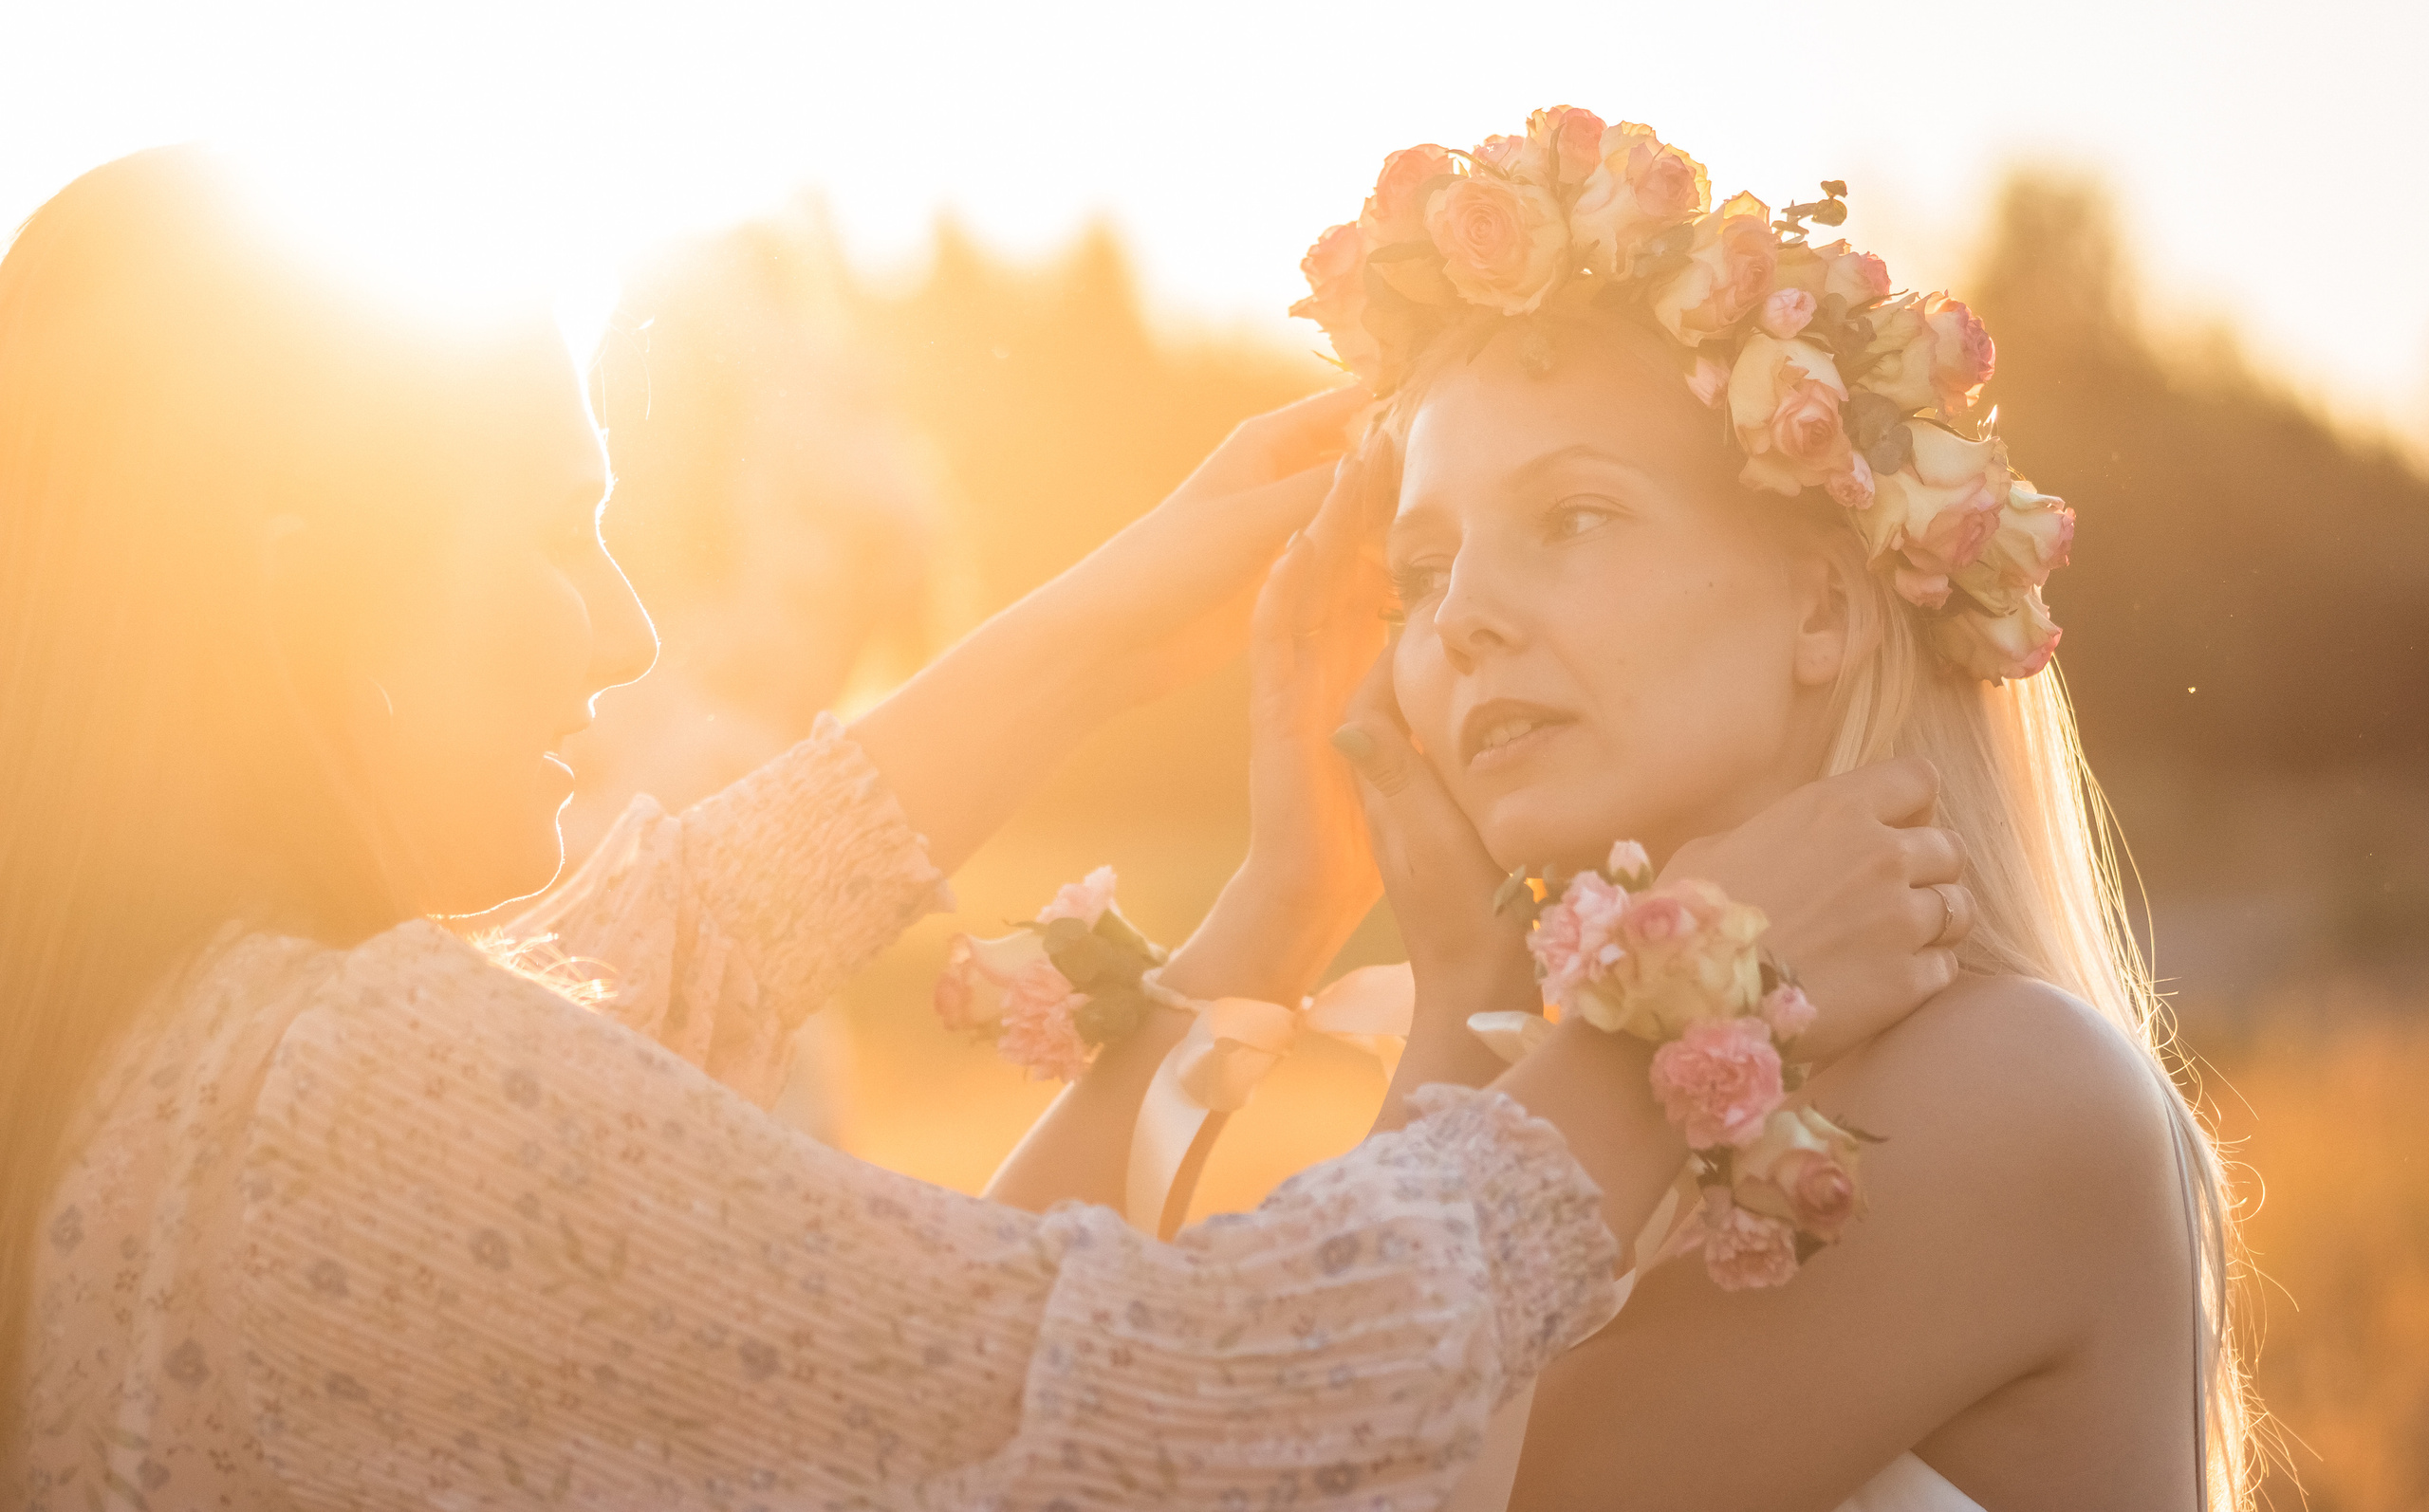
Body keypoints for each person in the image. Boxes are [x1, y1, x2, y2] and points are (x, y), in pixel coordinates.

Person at [0, 146, 1956, 1508]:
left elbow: (658, 957)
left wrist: (1221, 809)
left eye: (1573, 520)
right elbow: (1186, 1415)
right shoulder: (334, 1098)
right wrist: (1665, 1019)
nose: (618, 626)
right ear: (291, 583)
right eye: (547, 533)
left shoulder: (150, 1044)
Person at [1258, 109, 2250, 1511]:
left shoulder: (2013, 1087)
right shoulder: (1592, 1099)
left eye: (1574, 517)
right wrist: (1458, 1000)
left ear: (1822, 607)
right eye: (1422, 571)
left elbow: (1353, 1479)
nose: (1462, 614)